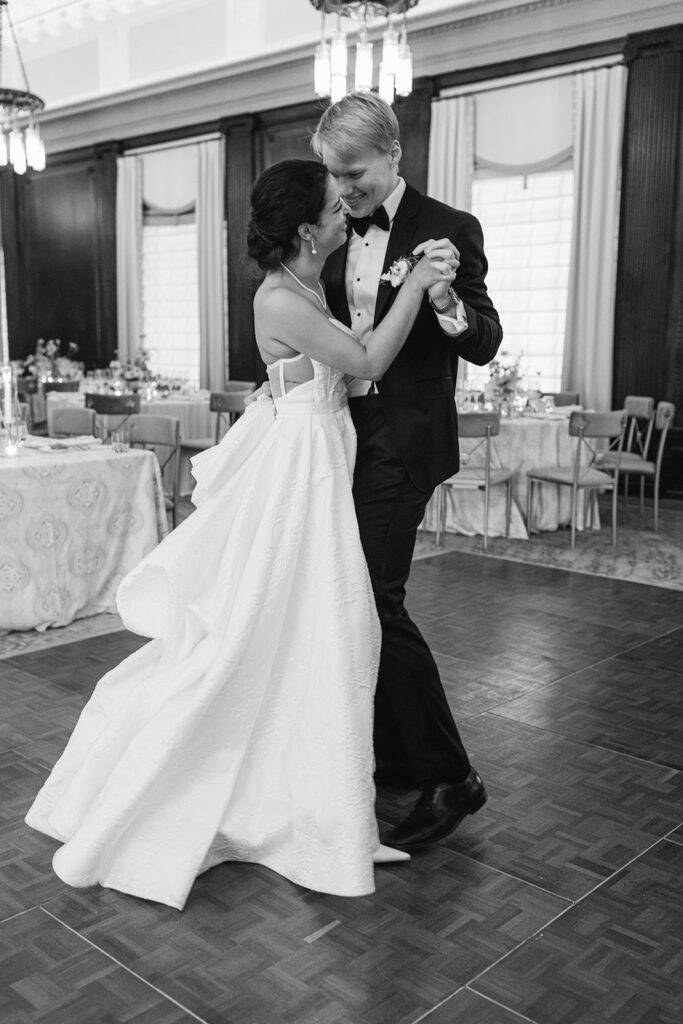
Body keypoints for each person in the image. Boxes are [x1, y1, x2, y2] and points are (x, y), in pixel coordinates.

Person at [24, 159, 456, 910]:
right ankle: (285, 804)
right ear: (304, 231)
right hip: (302, 473)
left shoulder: (301, 284)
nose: (343, 216)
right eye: (332, 208)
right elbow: (367, 360)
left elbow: (329, 373)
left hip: (321, 455)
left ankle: (325, 802)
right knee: (303, 626)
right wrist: (413, 288)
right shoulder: (280, 299)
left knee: (328, 632)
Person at [312, 92, 503, 851]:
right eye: (333, 174)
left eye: (353, 172)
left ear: (392, 155)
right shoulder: (329, 229)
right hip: (339, 436)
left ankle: (450, 774)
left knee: (375, 596)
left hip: (404, 435)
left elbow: (483, 343)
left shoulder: (448, 229)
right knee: (352, 596)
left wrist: (447, 295)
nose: (344, 188)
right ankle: (392, 753)